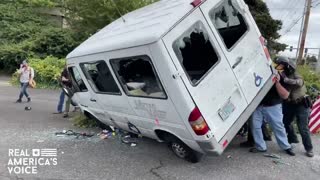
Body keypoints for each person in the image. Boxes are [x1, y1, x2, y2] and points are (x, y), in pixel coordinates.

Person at [274, 56, 314, 157]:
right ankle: (292, 140)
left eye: (281, 65)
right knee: (286, 123)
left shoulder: (294, 73)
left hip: (301, 103)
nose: (279, 66)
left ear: (286, 65)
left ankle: (309, 148)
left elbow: (299, 83)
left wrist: (287, 80)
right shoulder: (280, 74)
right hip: (289, 103)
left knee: (303, 127)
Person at [250, 72, 295, 156]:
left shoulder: (280, 75)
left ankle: (286, 146)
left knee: (278, 126)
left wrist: (276, 82)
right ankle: (261, 147)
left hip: (273, 105)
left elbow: (285, 95)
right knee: (255, 126)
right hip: (257, 105)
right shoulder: (255, 70)